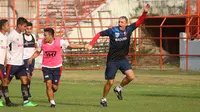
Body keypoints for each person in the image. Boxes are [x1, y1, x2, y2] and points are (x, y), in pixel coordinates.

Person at [85, 4, 150, 107]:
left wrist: (145, 12)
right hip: (112, 60)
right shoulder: (113, 31)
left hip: (122, 59)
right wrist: (91, 44)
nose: (120, 24)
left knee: (131, 76)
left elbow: (140, 21)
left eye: (122, 22)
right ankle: (104, 99)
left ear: (126, 23)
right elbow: (98, 34)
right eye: (119, 22)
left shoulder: (129, 29)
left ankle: (119, 88)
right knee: (110, 82)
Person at [28, 28, 86, 108]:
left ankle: (51, 92)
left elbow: (71, 45)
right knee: (48, 84)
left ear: (51, 35)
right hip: (46, 67)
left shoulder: (60, 42)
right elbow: (38, 52)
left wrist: (84, 46)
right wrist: (31, 58)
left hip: (57, 67)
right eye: (44, 35)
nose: (44, 37)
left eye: (45, 35)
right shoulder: (42, 42)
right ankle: (52, 103)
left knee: (54, 87)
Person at [6, 17, 37, 106]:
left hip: (21, 63)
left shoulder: (21, 34)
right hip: (12, 63)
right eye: (24, 26)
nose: (25, 28)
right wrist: (8, 58)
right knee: (6, 82)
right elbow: (5, 46)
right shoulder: (12, 35)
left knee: (25, 80)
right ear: (19, 25)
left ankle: (26, 101)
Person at [0, 19, 17, 107]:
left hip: (2, 64)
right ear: (2, 27)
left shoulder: (6, 37)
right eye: (7, 25)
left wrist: (5, 61)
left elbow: (5, 51)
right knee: (4, 80)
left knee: (4, 80)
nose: (9, 26)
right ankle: (7, 101)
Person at [23, 22, 38, 98]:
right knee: (27, 76)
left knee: (30, 76)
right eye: (27, 29)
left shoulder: (33, 36)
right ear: (25, 28)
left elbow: (35, 46)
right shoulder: (21, 36)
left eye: (30, 29)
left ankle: (27, 90)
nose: (29, 30)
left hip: (32, 59)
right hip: (24, 59)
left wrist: (32, 56)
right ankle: (26, 92)